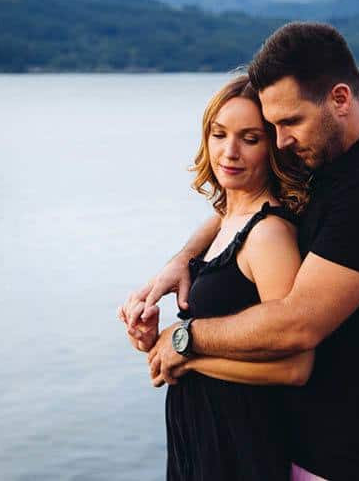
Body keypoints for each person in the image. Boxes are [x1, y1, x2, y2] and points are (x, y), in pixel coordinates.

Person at [128, 22, 359, 480]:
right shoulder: (327, 157)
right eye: (271, 127)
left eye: (289, 122)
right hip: (303, 445)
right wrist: (183, 258)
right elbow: (248, 205)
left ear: (340, 99)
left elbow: (298, 324)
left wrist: (185, 338)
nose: (280, 142)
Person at [118, 74, 315, 480]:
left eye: (250, 138)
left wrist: (190, 358)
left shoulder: (269, 235)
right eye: (219, 133)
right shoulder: (227, 219)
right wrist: (154, 340)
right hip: (201, 438)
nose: (230, 151)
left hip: (241, 445)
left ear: (273, 148)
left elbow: (294, 369)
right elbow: (223, 331)